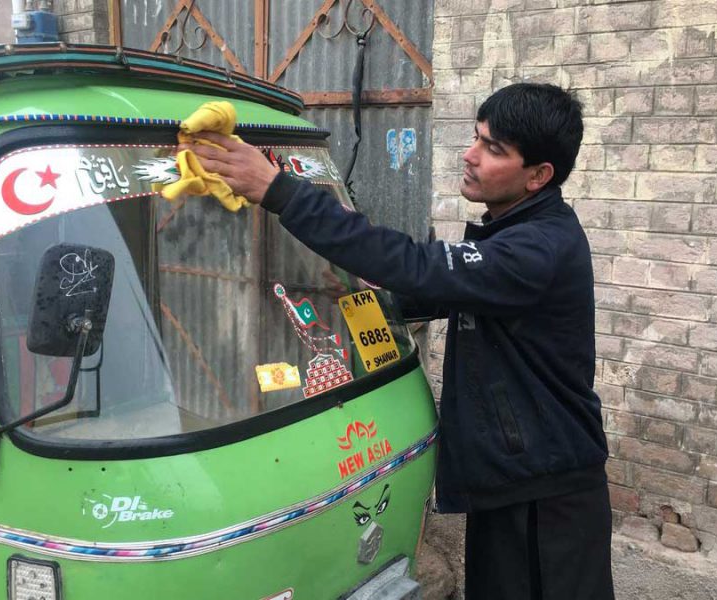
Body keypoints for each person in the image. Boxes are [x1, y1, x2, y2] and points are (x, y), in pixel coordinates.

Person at [186, 83, 614, 600]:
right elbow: (445, 291)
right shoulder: (514, 233)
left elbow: (421, 266)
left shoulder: (539, 247)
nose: (471, 156)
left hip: (547, 493)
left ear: (538, 176)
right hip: (514, 476)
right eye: (476, 138)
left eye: (494, 150)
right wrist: (363, 299)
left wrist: (278, 190)